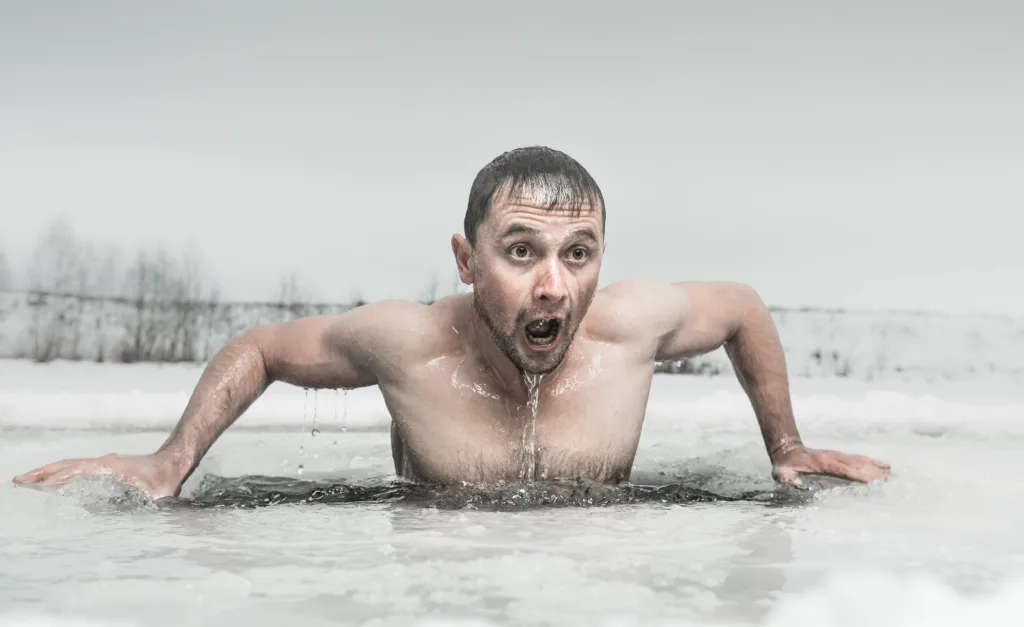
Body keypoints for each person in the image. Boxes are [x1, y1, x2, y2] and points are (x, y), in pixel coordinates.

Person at [13, 146, 890, 499]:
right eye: (521, 251)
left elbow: (740, 305)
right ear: (467, 262)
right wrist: (171, 463)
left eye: (578, 254)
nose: (553, 284)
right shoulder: (412, 343)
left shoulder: (629, 329)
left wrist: (787, 443)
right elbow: (263, 349)